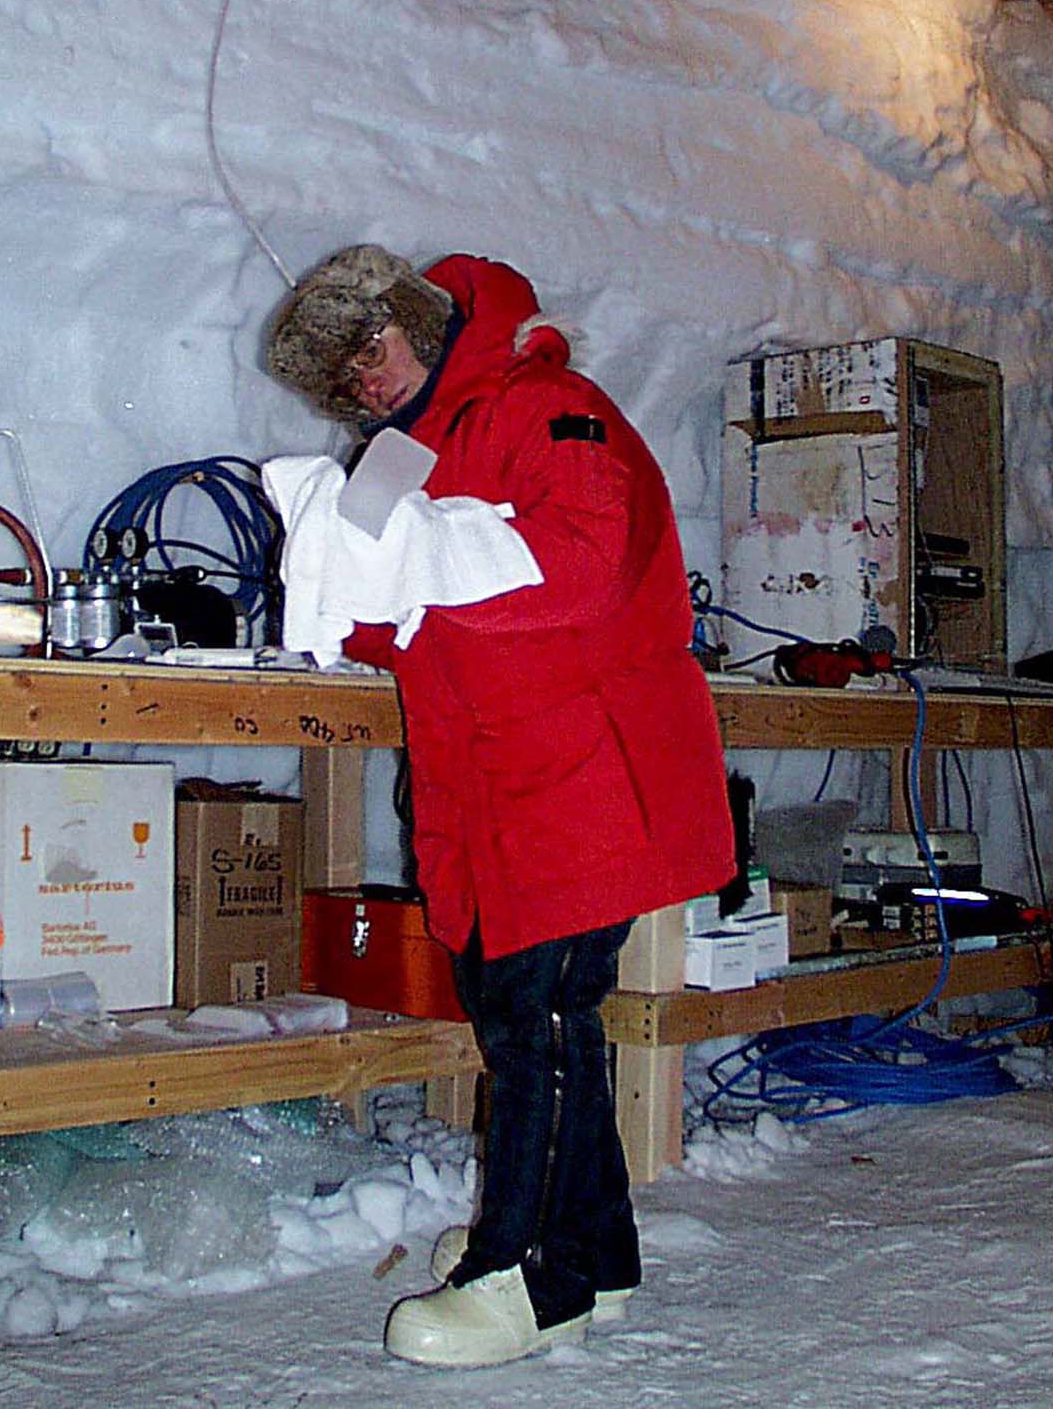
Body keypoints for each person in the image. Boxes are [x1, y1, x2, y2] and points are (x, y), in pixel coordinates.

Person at [266, 245, 735, 1368]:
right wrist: (340, 583)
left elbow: (581, 563)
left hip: (581, 772)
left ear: (417, 319)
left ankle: (531, 1271)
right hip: (483, 782)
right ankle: (594, 1251)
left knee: (542, 1019)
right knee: (529, 1014)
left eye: (368, 353)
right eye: (342, 379)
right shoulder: (395, 458)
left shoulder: (551, 404)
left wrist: (420, 560)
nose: (364, 386)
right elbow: (389, 613)